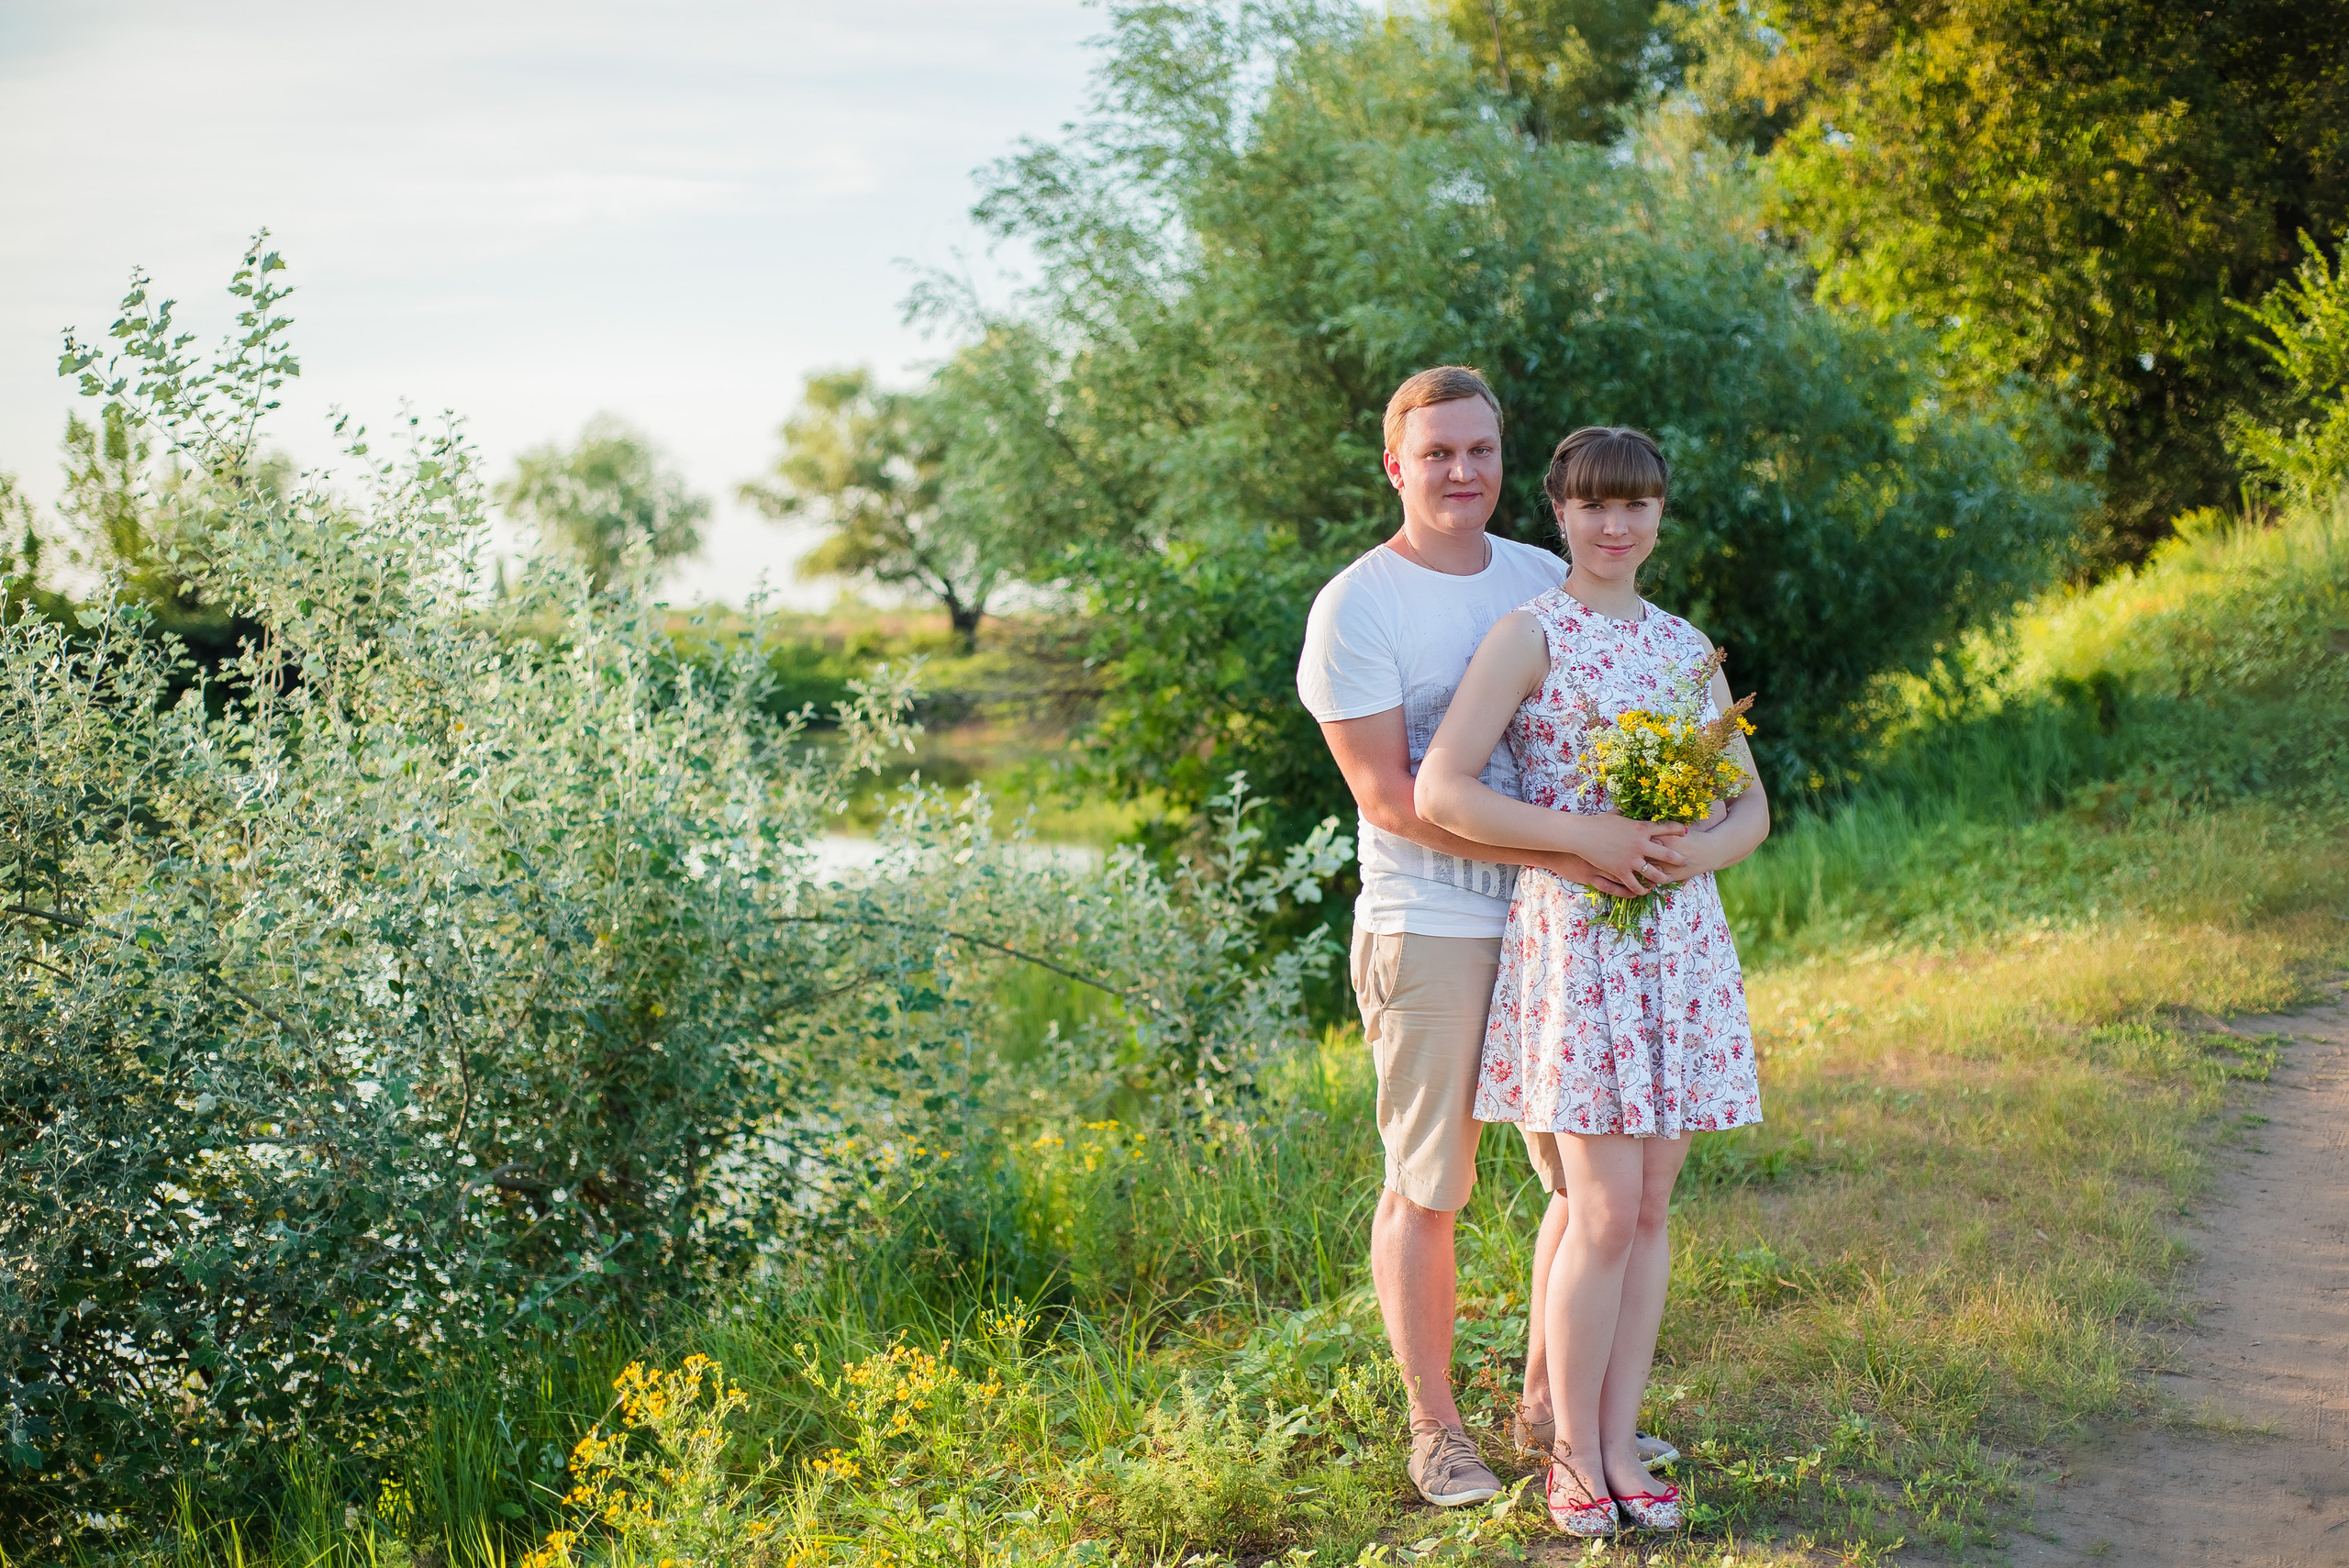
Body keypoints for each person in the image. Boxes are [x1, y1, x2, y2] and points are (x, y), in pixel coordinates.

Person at [1296, 371, 1675, 1509]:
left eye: (1479, 449)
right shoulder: (1357, 606)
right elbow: (1387, 793)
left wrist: (1612, 853)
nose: (1461, 470)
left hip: (1559, 930)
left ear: (1503, 461)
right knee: (1433, 1184)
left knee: (1581, 1182)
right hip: (1434, 922)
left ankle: (1550, 1412)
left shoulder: (1535, 575)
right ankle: (1436, 1428)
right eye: (1437, 452)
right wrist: (1569, 849)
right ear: (1395, 467)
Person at [1414, 426, 1769, 1538]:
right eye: (1594, 507)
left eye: (1638, 506)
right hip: (1577, 939)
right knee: (1602, 1205)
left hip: (1677, 946)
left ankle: (1619, 1439)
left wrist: (1679, 852)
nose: (1616, 526)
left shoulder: (1684, 644)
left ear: (1660, 515)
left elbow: (1749, 810)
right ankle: (1568, 1450)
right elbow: (1443, 789)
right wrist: (1590, 839)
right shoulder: (1531, 634)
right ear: (1559, 513)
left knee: (1652, 1204)